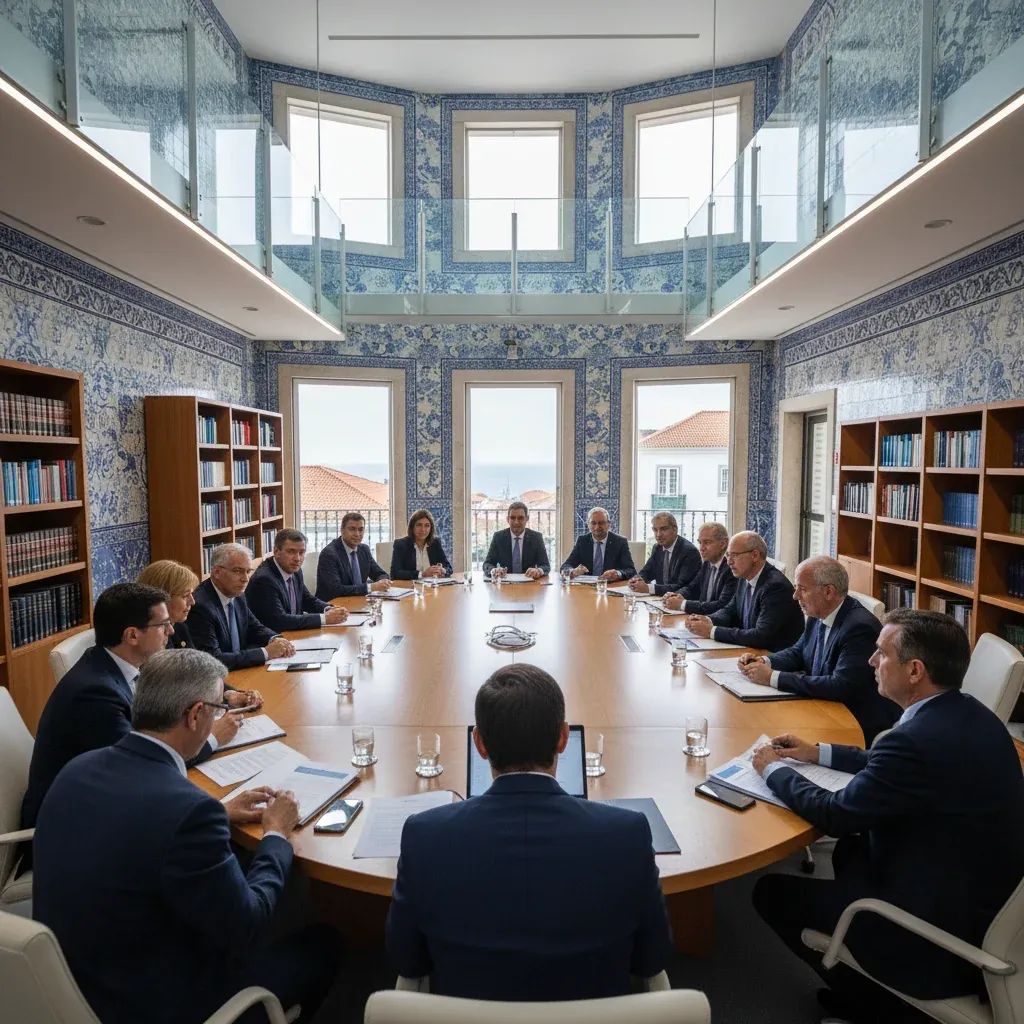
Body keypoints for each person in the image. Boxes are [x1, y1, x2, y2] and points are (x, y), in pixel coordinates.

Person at [32, 648, 341, 1024]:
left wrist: (222, 814)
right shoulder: (190, 811)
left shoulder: (76, 769)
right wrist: (276, 834)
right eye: (218, 708)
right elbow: (248, 924)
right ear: (196, 715)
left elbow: (136, 826)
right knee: (326, 941)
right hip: (155, 1004)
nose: (220, 717)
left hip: (66, 984)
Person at [751, 610, 1024, 1021]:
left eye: (881, 653)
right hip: (973, 891)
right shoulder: (968, 715)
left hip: (940, 934)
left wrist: (773, 769)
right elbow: (886, 762)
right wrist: (816, 753)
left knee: (770, 893)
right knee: (848, 853)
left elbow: (835, 814)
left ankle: (875, 1008)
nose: (871, 662)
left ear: (915, 670)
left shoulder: (914, 740)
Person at [386, 663, 672, 1000]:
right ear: (563, 738)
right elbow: (652, 959)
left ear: (479, 744)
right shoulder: (628, 834)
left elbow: (407, 961)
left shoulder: (425, 836)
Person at [21, 583, 237, 832]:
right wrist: (212, 738)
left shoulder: (115, 665)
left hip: (108, 800)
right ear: (132, 635)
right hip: (73, 830)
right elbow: (142, 764)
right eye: (162, 624)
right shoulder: (94, 694)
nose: (171, 630)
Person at [738, 556, 898, 743]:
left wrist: (772, 677)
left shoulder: (859, 628)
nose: (795, 596)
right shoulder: (819, 612)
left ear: (829, 592)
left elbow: (840, 686)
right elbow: (799, 652)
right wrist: (763, 661)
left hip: (853, 724)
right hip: (823, 707)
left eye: (802, 589)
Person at [138, 559, 263, 709]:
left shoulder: (180, 628)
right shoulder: (148, 641)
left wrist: (233, 693)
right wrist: (224, 702)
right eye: (185, 596)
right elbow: (176, 691)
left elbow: (199, 673)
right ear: (162, 598)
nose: (192, 602)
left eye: (192, 594)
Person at [684, 531, 804, 651]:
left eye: (734, 555)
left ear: (755, 555)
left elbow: (761, 636)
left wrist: (712, 631)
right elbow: (730, 611)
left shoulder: (775, 587)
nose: (729, 562)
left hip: (771, 657)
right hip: (749, 652)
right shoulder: (743, 577)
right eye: (727, 555)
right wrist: (707, 620)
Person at [187, 543, 295, 670]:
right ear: (217, 572)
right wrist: (265, 652)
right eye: (238, 571)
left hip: (242, 670)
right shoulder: (200, 606)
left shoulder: (237, 594)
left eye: (248, 571)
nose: (245, 579)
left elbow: (254, 626)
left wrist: (275, 639)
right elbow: (213, 659)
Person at [247, 528, 349, 631]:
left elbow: (307, 599)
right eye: (291, 552)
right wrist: (324, 618)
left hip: (294, 634)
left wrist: (329, 608)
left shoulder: (295, 570)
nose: (297, 558)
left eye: (301, 552)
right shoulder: (264, 580)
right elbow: (279, 621)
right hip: (275, 639)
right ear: (276, 551)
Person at [662, 521, 736, 614]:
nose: (701, 548)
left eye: (707, 542)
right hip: (701, 619)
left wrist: (683, 604)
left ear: (723, 544)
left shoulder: (732, 568)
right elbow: (692, 588)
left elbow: (721, 605)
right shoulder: (707, 564)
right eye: (700, 542)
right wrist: (675, 595)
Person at [315, 512, 391, 599]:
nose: (357, 534)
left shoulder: (364, 550)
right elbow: (336, 590)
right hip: (333, 606)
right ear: (342, 530)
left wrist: (382, 582)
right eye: (352, 529)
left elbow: (380, 574)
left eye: (361, 529)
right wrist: (371, 587)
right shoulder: (329, 554)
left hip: (359, 603)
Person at [628, 512, 701, 595]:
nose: (658, 535)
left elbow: (681, 586)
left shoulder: (689, 551)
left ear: (674, 530)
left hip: (679, 601)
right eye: (655, 530)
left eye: (663, 529)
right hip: (660, 599)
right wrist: (635, 580)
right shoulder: (657, 547)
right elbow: (646, 572)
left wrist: (649, 588)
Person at [559, 507, 636, 580]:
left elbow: (631, 570)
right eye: (593, 523)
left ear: (609, 524)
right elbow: (565, 566)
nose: (597, 527)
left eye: (601, 523)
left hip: (610, 586)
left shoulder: (620, 542)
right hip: (586, 587)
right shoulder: (582, 541)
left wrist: (618, 574)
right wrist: (573, 571)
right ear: (588, 524)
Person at [482, 501, 551, 579]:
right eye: (512, 518)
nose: (516, 522)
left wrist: (538, 571)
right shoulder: (498, 537)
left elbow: (545, 565)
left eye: (520, 518)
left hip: (529, 584)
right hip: (505, 584)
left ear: (527, 519)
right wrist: (494, 570)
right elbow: (487, 564)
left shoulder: (536, 538)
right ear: (508, 519)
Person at [390, 509, 454, 580]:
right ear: (412, 527)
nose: (423, 529)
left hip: (432, 587)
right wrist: (422, 574)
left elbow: (449, 568)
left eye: (427, 525)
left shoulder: (435, 543)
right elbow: (395, 573)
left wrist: (442, 570)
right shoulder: (401, 544)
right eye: (419, 525)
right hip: (410, 588)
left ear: (431, 528)